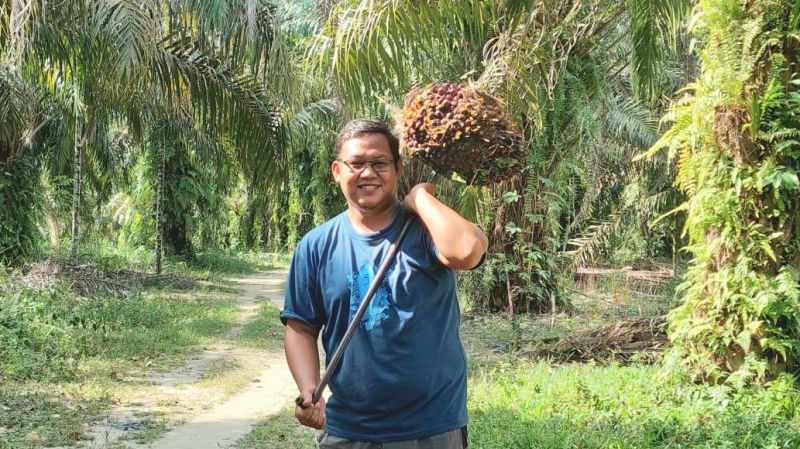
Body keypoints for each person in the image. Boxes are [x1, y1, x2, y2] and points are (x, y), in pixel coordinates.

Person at [281, 119, 487, 449]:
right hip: (349, 429)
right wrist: (308, 388)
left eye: (380, 163)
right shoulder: (315, 245)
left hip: (431, 425)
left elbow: (466, 251)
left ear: (398, 169)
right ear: (337, 170)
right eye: (356, 163)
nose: (368, 173)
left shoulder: (427, 230)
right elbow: (300, 327)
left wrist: (420, 197)